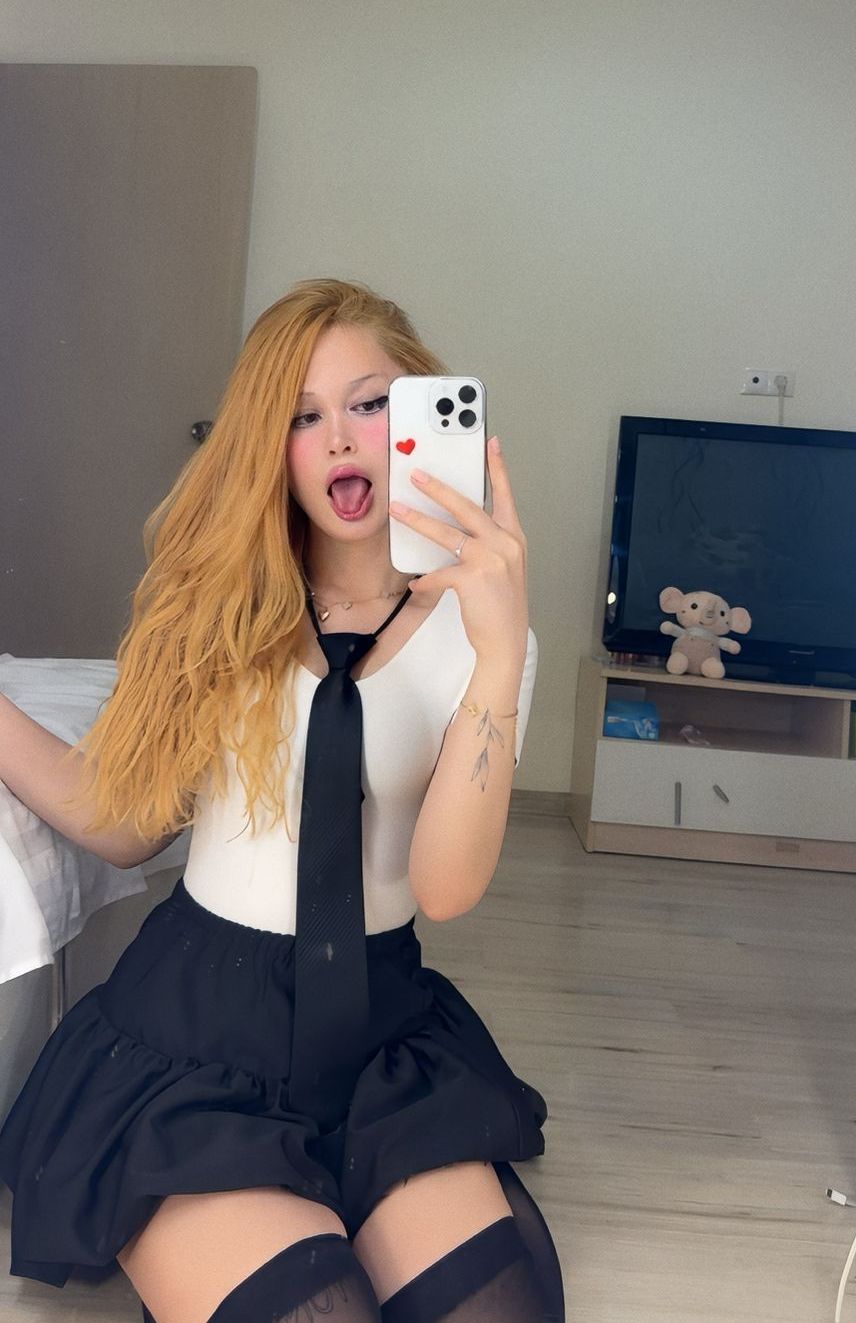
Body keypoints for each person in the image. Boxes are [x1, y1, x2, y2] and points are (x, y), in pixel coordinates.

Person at [0, 279, 564, 1322]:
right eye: (303, 417)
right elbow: (126, 822)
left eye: (369, 403)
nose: (339, 437)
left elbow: (444, 888)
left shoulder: (488, 633)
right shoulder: (214, 608)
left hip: (385, 1039)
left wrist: (494, 657)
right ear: (271, 446)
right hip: (198, 1039)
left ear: (421, 413)